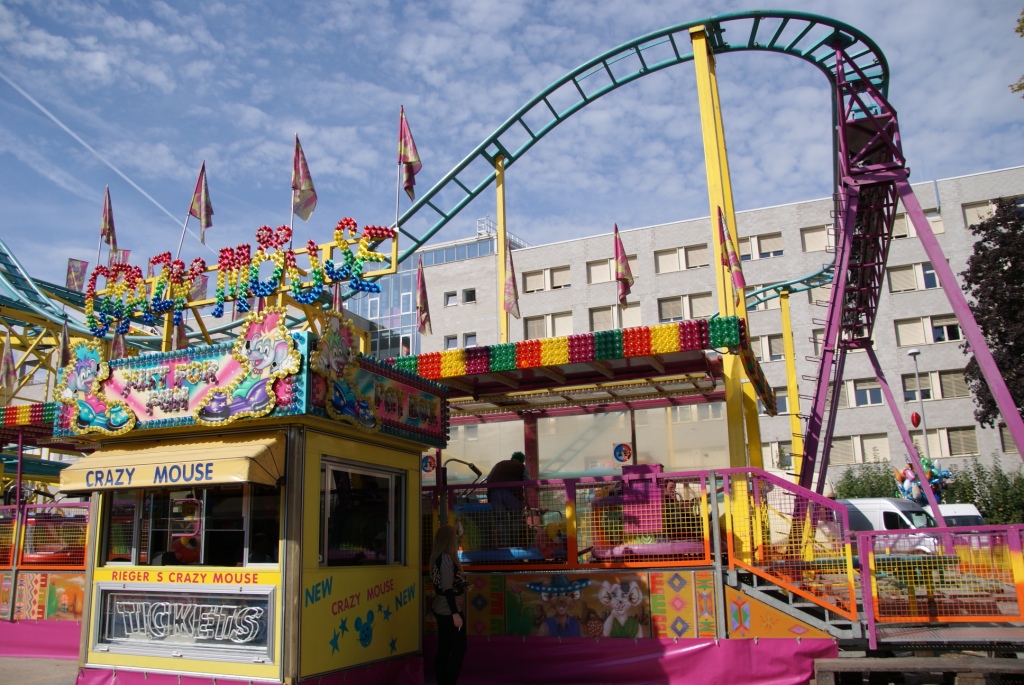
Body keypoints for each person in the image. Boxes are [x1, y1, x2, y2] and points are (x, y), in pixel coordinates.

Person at [430, 525, 467, 685]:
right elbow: (447, 588)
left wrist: (463, 586)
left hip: (443, 608)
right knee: (458, 649)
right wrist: (455, 614)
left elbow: (447, 584)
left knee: (445, 648)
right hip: (448, 610)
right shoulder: (446, 558)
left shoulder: (439, 557)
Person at [485, 451, 528, 548]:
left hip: (495, 493)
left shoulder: (499, 464)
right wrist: (527, 500)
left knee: (500, 520)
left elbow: (488, 478)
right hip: (513, 494)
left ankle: (504, 545)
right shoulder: (522, 467)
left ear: (512, 458)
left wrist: (489, 493)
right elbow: (527, 482)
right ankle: (515, 545)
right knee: (515, 519)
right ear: (522, 461)